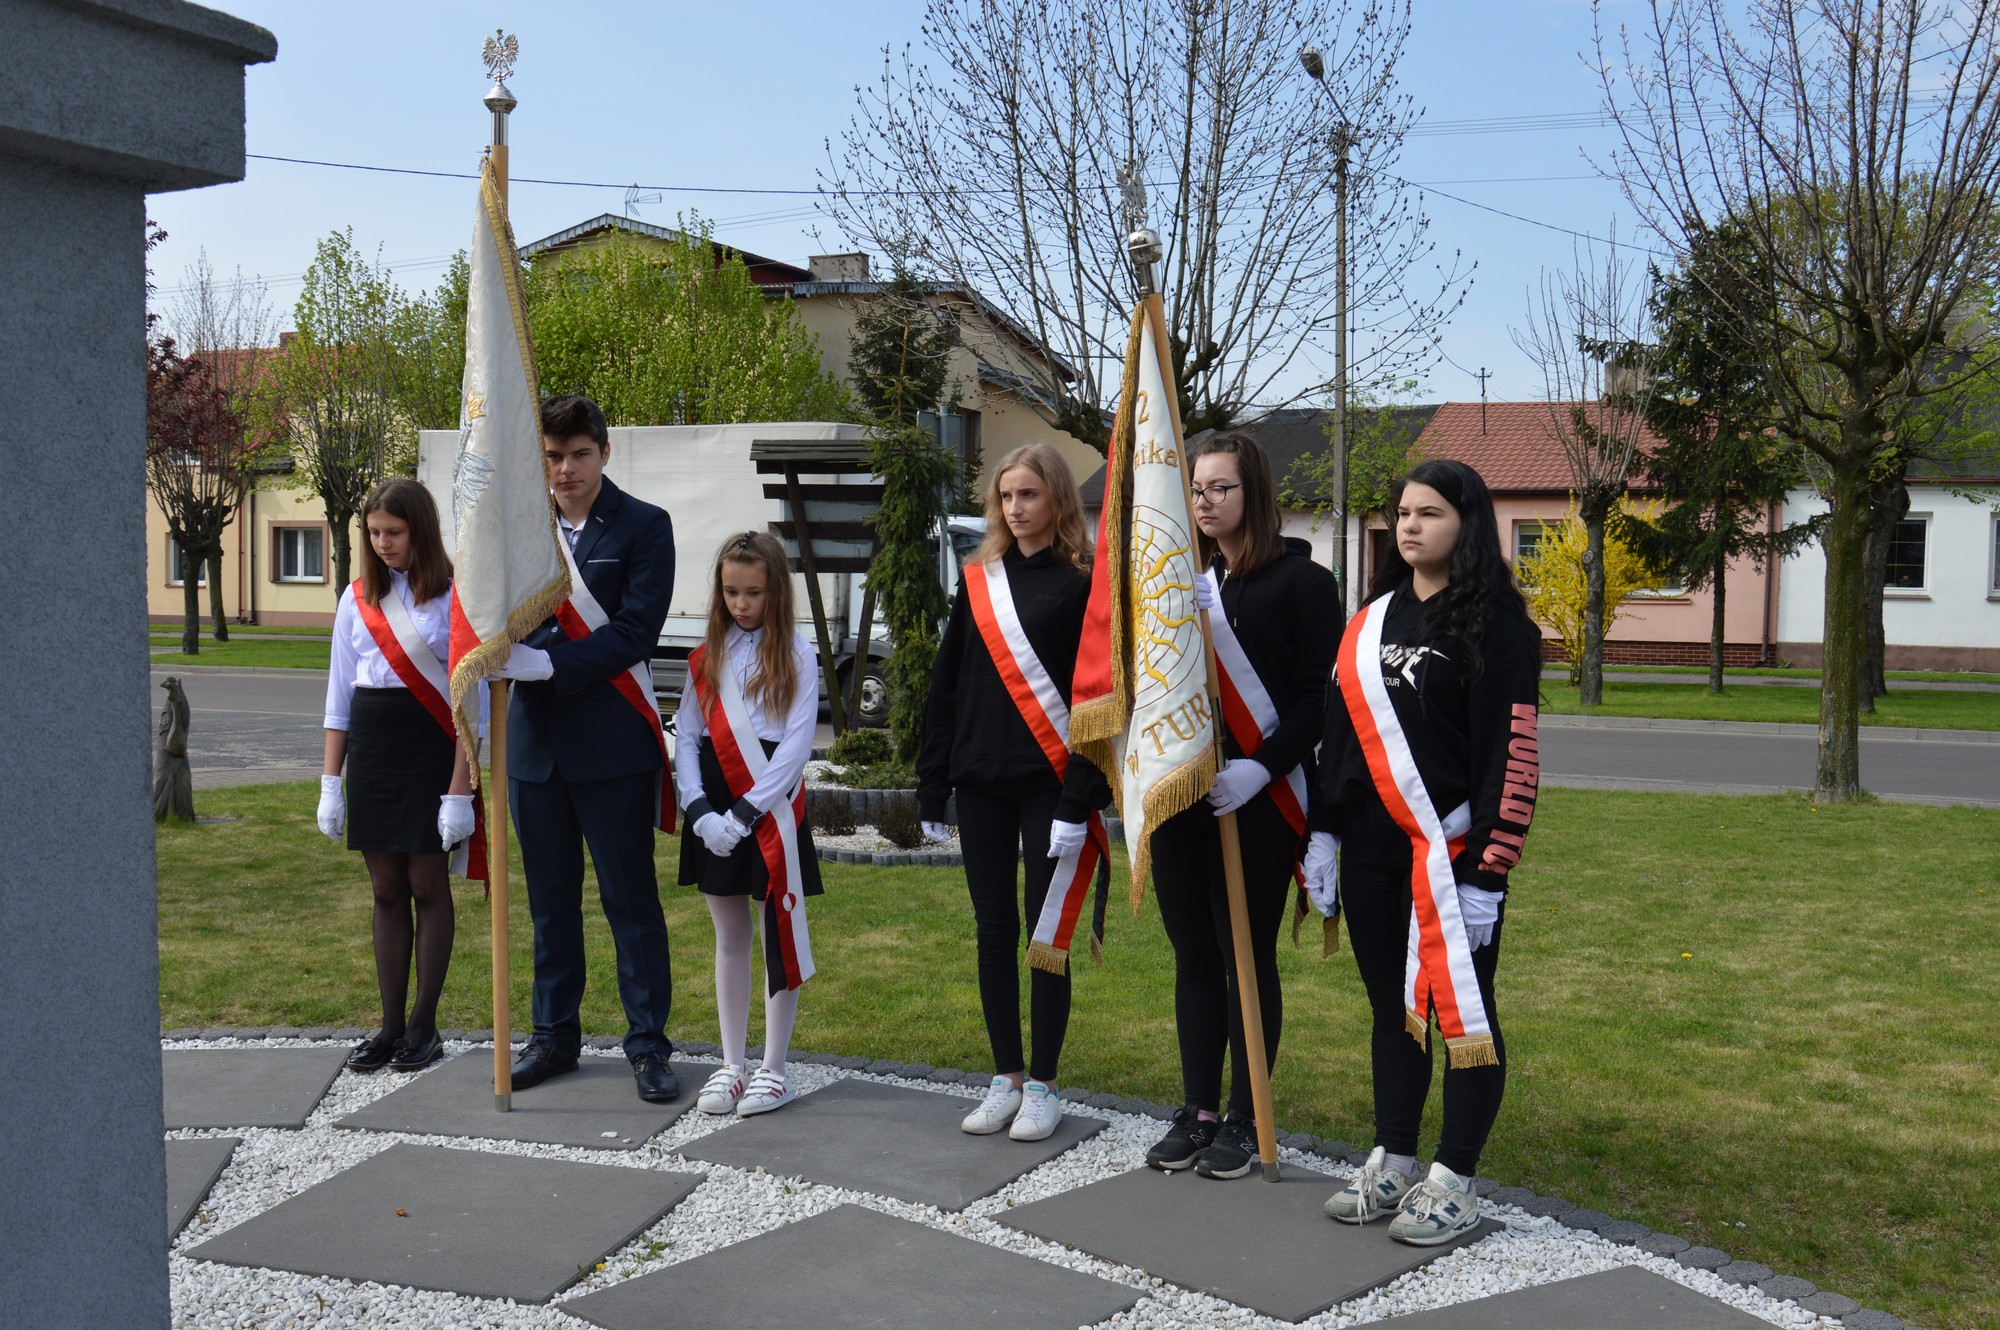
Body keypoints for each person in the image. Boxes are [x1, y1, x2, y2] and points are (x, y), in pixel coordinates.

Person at [1311, 458, 1542, 1246]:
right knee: (1393, 1009)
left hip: (1450, 857)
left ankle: (1455, 1178)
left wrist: (1487, 873)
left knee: (1463, 1012)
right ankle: (1395, 1158)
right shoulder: (1370, 622)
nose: (1410, 525)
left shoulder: (1499, 627)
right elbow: (1339, 737)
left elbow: (1511, 757)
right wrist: (1322, 832)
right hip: (1370, 850)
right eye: (1404, 513)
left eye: (1430, 513)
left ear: (1467, 524)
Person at [1142, 430, 1341, 1180]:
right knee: (1194, 955)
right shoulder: (1184, 582)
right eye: (1196, 489)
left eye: (1221, 487)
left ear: (1252, 492)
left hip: (1260, 796)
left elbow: (1318, 700)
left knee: (1244, 957)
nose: (1205, 501)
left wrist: (1261, 769)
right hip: (1185, 795)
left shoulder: (1305, 583)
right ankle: (1197, 1109)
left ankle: (1243, 1112)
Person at [918, 443, 1110, 1144]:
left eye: (1028, 494)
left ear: (1056, 497)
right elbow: (946, 686)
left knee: (1044, 937)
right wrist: (931, 785)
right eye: (1006, 496)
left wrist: (1080, 797)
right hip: (980, 781)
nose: (1015, 507)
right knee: (993, 931)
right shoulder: (979, 583)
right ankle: (1007, 1077)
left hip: (1049, 786)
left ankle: (1046, 1085)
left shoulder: (1085, 583)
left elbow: (1098, 701)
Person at [494, 394, 681, 1104]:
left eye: (579, 454)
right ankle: (553, 1037)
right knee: (549, 906)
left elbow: (634, 632)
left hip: (610, 743)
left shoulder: (644, 525)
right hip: (534, 747)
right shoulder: (516, 529)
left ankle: (648, 1044)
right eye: (552, 455)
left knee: (629, 902)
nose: (565, 469)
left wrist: (546, 664)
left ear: (605, 452)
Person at [318, 478, 481, 1075]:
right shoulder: (356, 597)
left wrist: (459, 791)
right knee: (386, 888)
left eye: (394, 532)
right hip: (373, 748)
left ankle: (423, 1026)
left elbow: (471, 705)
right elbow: (338, 696)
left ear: (421, 531)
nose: (382, 543)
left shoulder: (456, 596)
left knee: (427, 885)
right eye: (373, 533)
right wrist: (330, 783)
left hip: (430, 747)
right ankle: (389, 1026)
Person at [675, 532, 821, 1117]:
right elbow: (687, 735)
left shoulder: (799, 654)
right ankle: (732, 1064)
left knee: (774, 933)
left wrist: (744, 814)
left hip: (769, 805)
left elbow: (796, 747)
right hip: (714, 803)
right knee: (729, 936)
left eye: (753, 592)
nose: (740, 603)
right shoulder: (708, 652)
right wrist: (697, 810)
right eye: (731, 591)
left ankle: (774, 1069)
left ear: (775, 591)